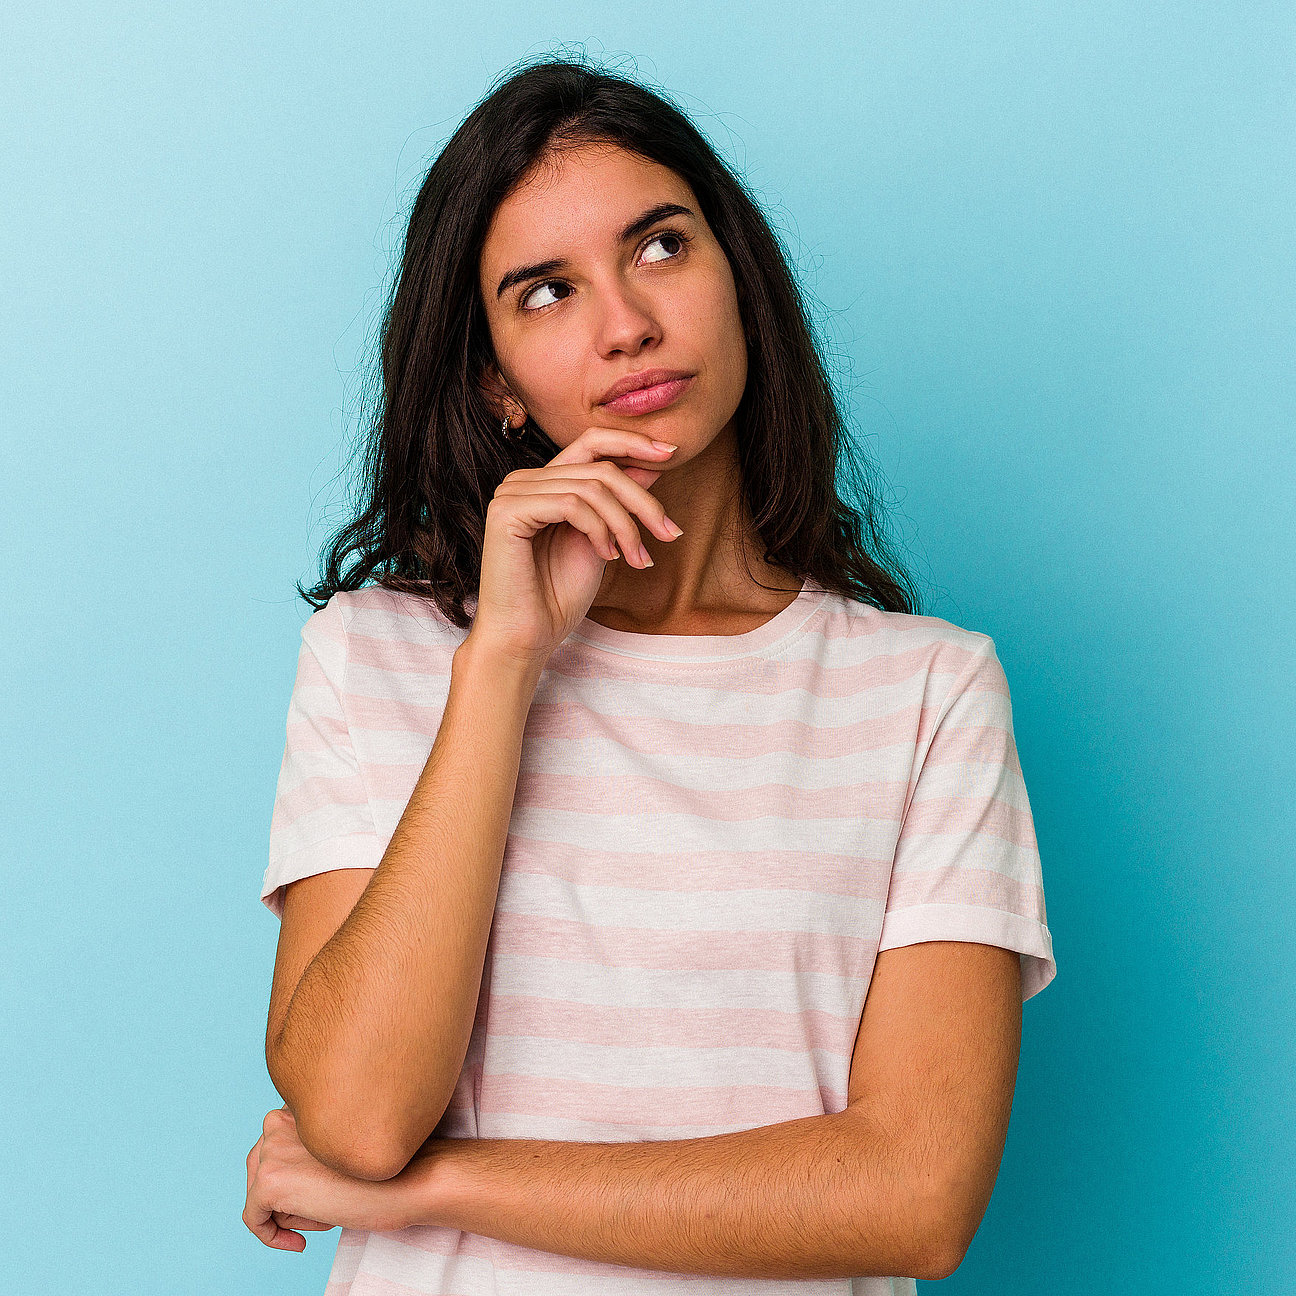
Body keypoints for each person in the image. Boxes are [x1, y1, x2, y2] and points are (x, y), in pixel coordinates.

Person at [244, 53, 1056, 1296]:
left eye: (661, 248)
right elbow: (356, 1114)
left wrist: (440, 1186)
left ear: (737, 279)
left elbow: (914, 1197)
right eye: (545, 291)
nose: (624, 321)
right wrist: (505, 661)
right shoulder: (379, 658)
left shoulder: (926, 695)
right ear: (492, 380)